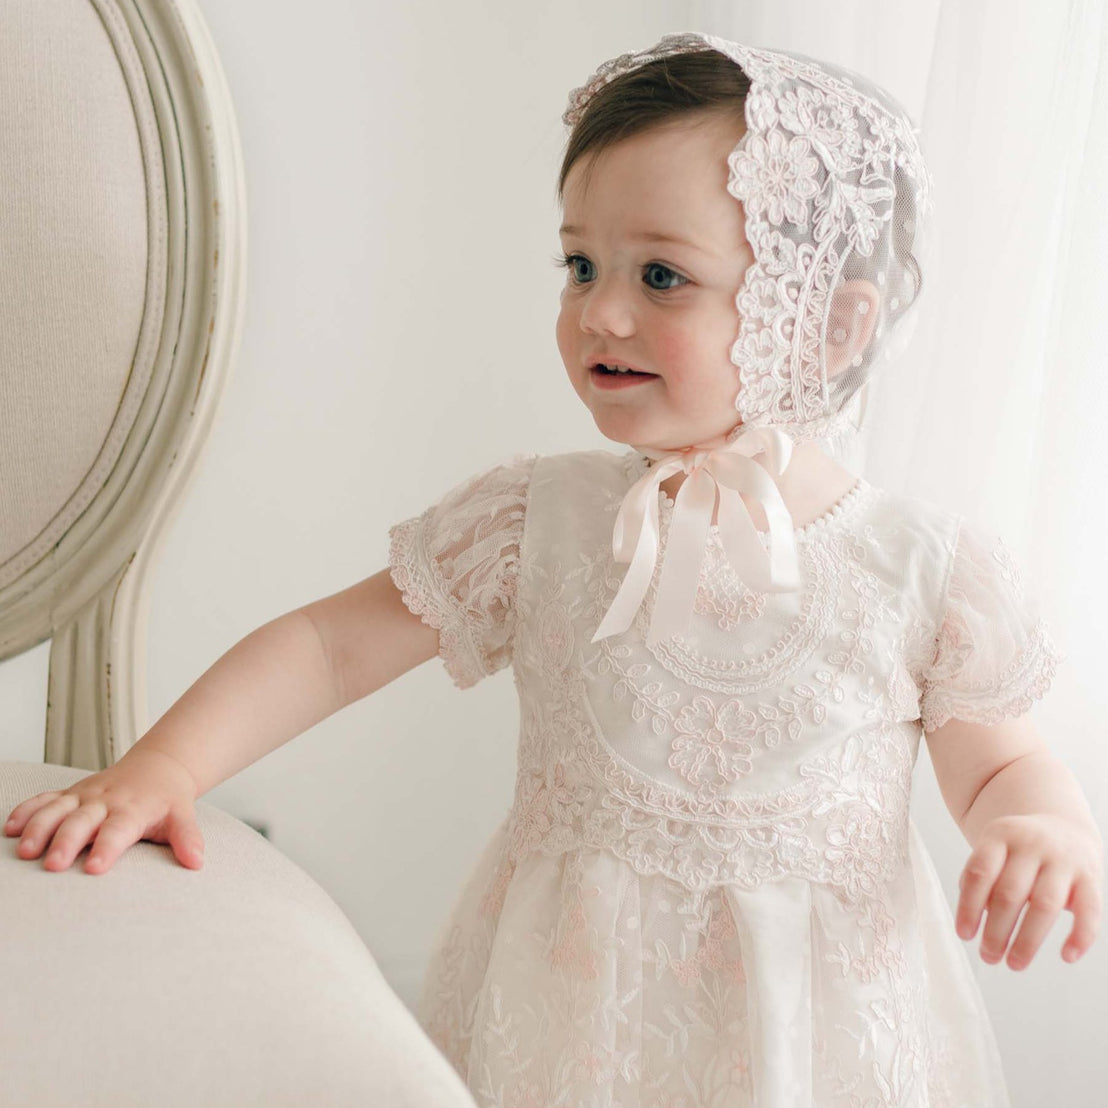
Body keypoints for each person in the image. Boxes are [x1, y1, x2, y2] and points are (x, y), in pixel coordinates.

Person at [4, 30, 1102, 1107]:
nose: (600, 312)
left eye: (661, 275)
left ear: (825, 323)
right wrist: (164, 766)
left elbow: (999, 765)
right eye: (580, 264)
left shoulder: (914, 565)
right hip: (572, 1022)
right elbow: (330, 648)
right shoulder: (546, 517)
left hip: (820, 1042)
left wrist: (1038, 828)